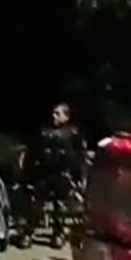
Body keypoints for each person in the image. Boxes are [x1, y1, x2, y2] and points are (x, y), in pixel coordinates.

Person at [24, 102, 86, 247]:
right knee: (37, 205)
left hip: (63, 174)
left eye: (58, 113)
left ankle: (58, 234)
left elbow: (79, 156)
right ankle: (28, 232)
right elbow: (32, 153)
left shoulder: (73, 133)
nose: (54, 116)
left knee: (60, 207)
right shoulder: (43, 131)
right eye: (53, 113)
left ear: (66, 116)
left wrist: (78, 176)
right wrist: (29, 172)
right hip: (44, 173)